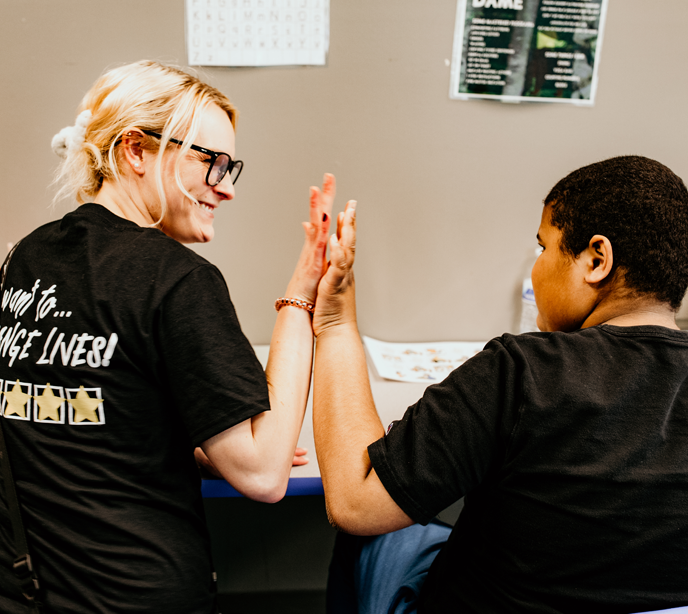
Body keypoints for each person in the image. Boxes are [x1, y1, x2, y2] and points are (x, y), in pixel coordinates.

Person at [0, 60, 335, 614]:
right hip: (137, 594)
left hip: (30, 591)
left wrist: (193, 446)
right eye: (211, 163)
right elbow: (264, 473)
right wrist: (302, 298)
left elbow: (72, 409)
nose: (224, 189)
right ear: (136, 150)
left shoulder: (26, 257)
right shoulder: (176, 279)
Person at [312, 155, 688, 613]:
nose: (538, 266)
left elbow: (355, 503)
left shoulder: (520, 373)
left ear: (596, 259)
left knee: (378, 536)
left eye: (543, 247)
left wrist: (334, 320)